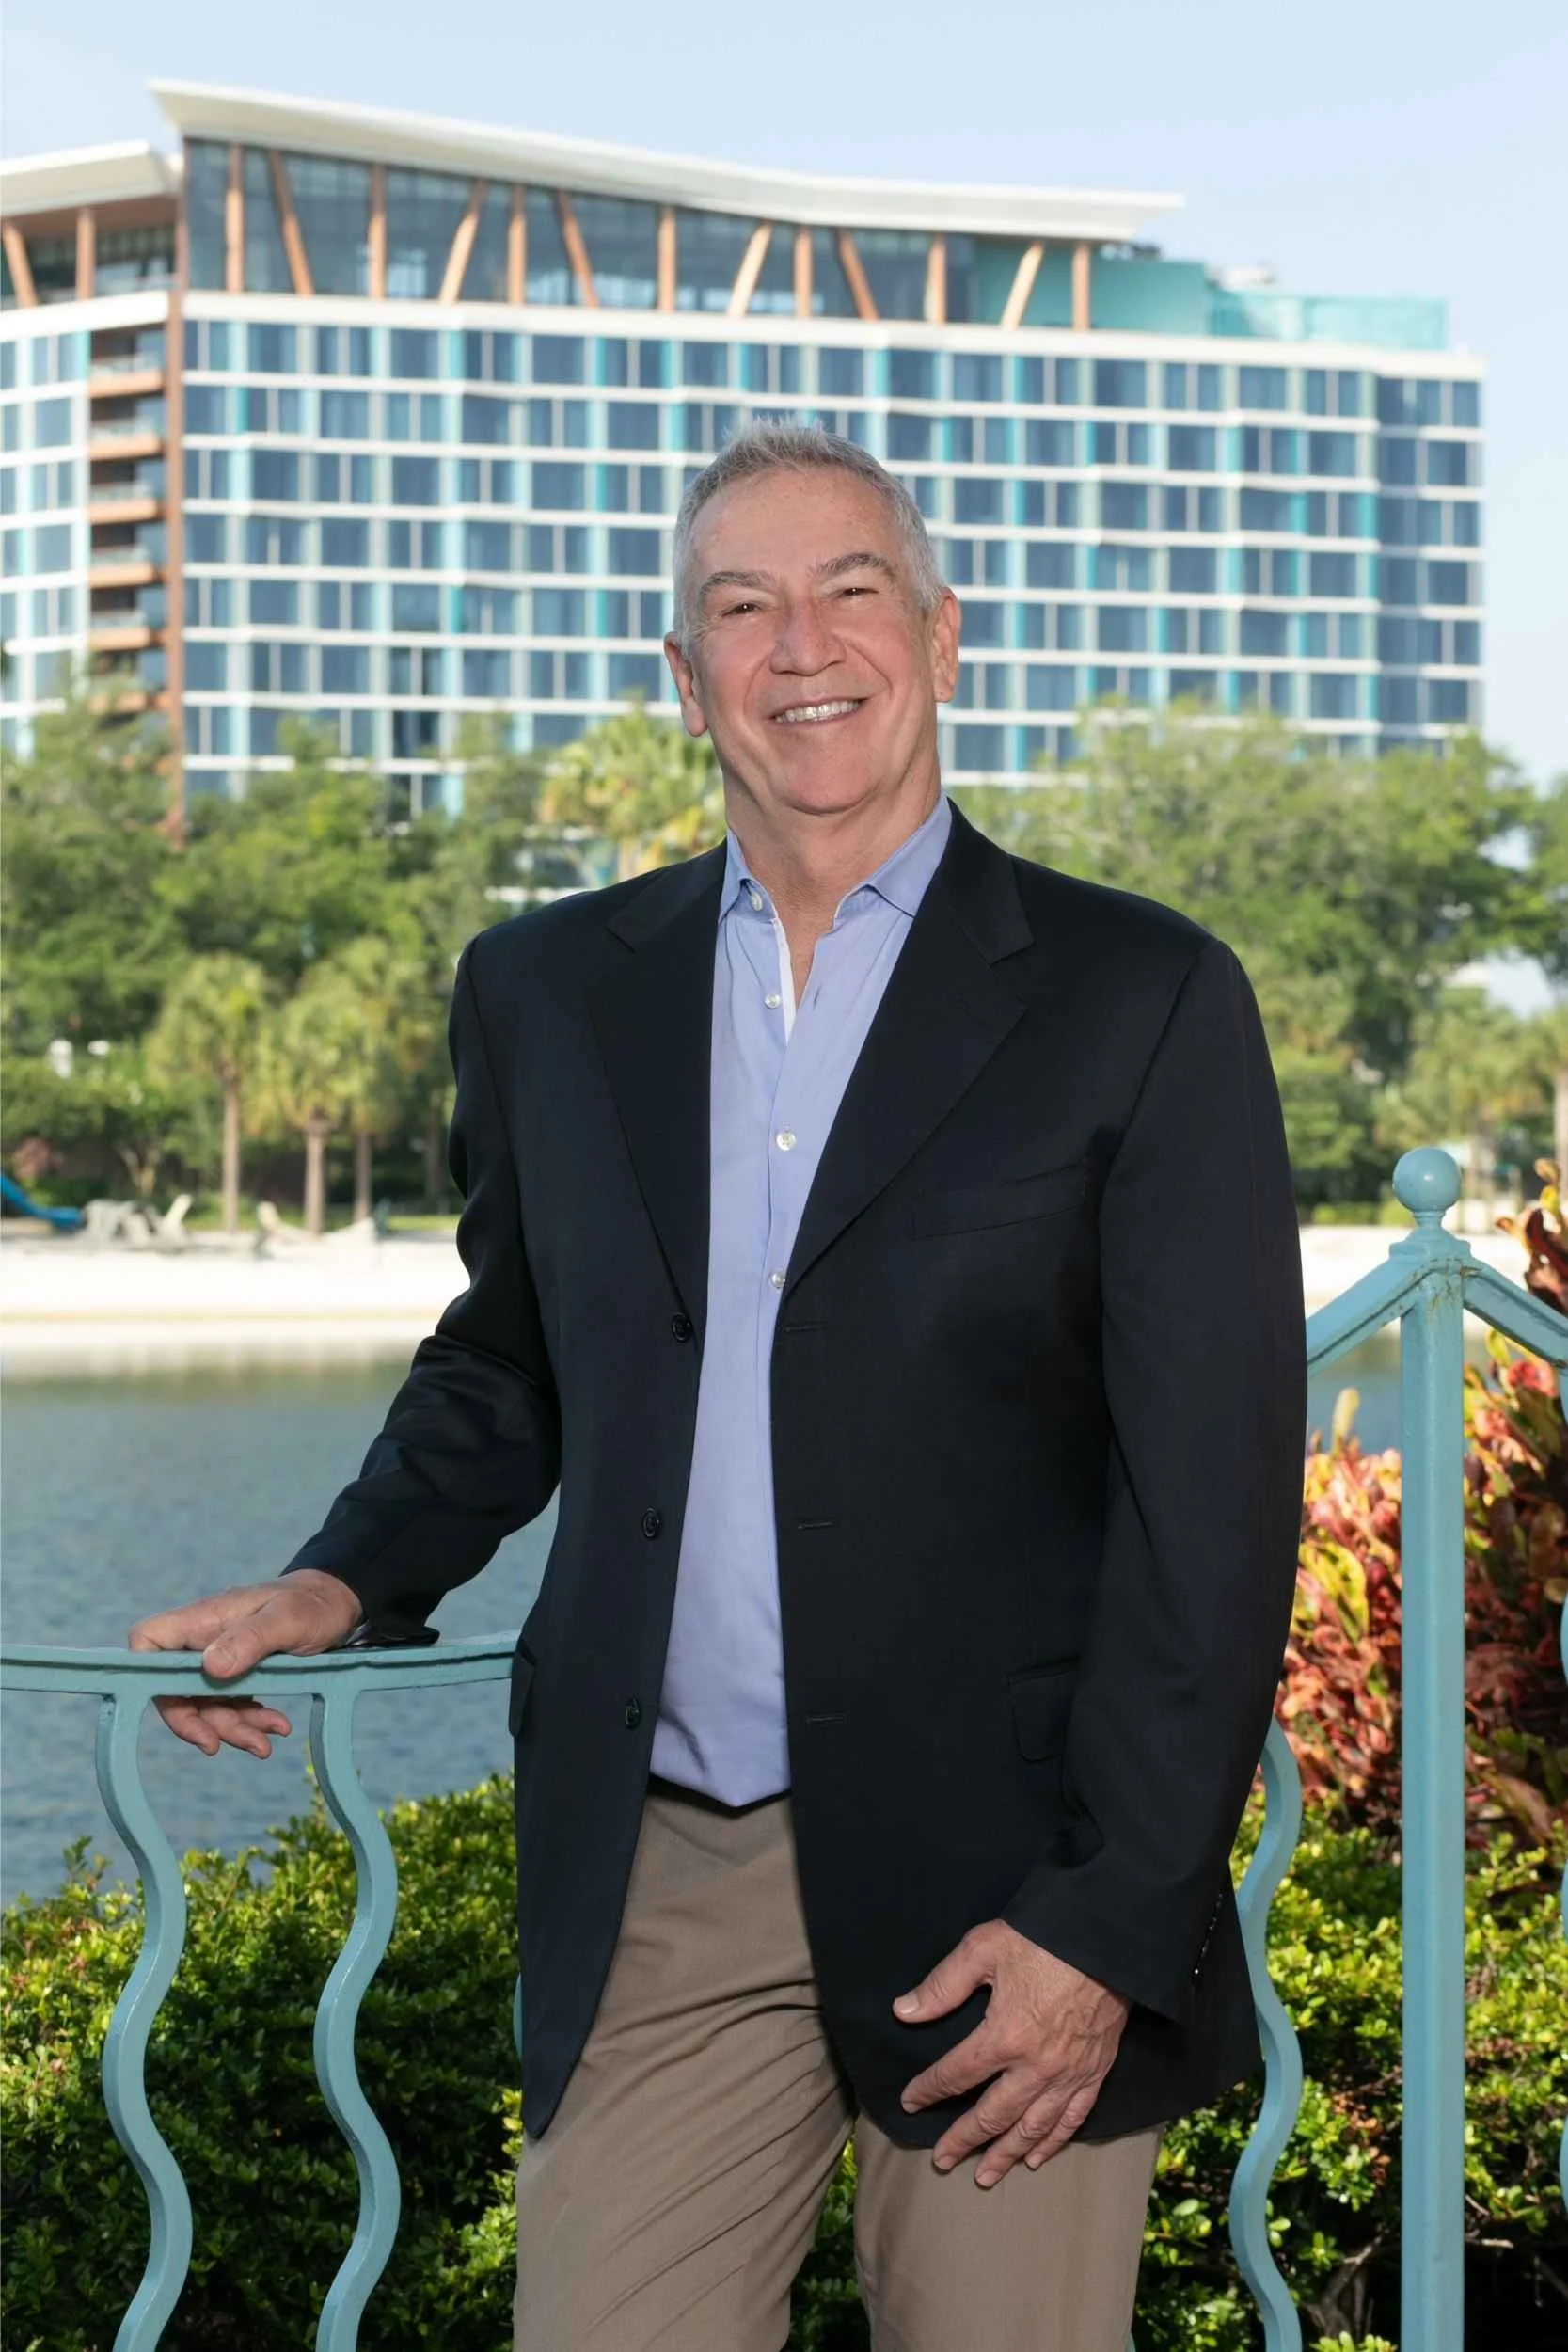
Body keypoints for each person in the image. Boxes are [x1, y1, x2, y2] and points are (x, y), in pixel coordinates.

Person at [132, 423, 1307, 2352]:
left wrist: (1109, 1917)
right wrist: (336, 1580)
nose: (800, 644)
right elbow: (508, 1357)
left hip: (1007, 1875)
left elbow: (1213, 1503)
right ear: (684, 679)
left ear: (939, 633)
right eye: (739, 606)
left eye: (849, 588)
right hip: (671, 1859)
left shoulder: (1141, 994)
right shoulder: (545, 989)